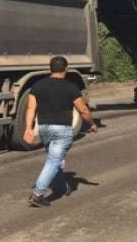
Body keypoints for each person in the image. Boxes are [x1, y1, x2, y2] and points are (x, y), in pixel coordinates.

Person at [24, 56, 97, 207]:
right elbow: (82, 109)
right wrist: (92, 123)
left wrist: (28, 128)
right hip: (61, 130)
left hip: (45, 129)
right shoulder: (71, 87)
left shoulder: (37, 85)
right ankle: (38, 194)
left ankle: (63, 187)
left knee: (54, 159)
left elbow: (31, 108)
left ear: (50, 69)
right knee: (53, 160)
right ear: (66, 70)